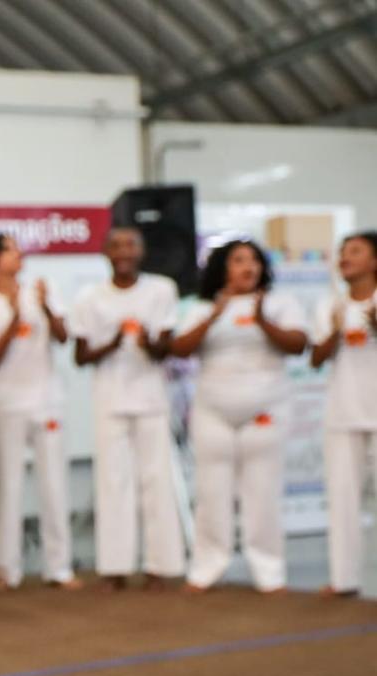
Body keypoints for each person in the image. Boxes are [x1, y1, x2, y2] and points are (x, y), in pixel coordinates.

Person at [171, 239, 308, 593]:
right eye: (238, 260)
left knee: (262, 491)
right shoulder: (203, 306)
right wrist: (215, 314)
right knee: (211, 490)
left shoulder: (279, 303)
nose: (248, 267)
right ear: (223, 268)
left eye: (254, 261)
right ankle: (207, 566)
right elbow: (180, 348)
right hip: (213, 409)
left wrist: (262, 320)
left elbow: (297, 344)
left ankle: (269, 571)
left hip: (265, 407)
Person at [70, 228, 186, 591]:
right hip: (109, 399)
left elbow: (165, 350)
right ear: (105, 252)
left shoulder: (161, 289)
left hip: (151, 399)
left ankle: (161, 566)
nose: (124, 252)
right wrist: (114, 341)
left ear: (142, 251)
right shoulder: (89, 297)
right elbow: (80, 356)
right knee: (112, 482)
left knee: (157, 480)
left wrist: (147, 341)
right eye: (116, 245)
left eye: (131, 245)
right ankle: (115, 567)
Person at [0, 233, 80, 590]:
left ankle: (59, 568)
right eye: (10, 250)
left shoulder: (41, 290)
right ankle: (5, 568)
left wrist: (45, 308)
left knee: (54, 485)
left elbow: (63, 337)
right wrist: (15, 316)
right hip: (6, 403)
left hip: (46, 400)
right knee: (7, 486)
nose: (18, 254)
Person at [310, 231, 377, 597]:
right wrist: (335, 333)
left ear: (374, 261)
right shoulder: (330, 305)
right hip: (344, 412)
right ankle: (344, 579)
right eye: (342, 252)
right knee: (343, 499)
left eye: (355, 251)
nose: (345, 258)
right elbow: (316, 359)